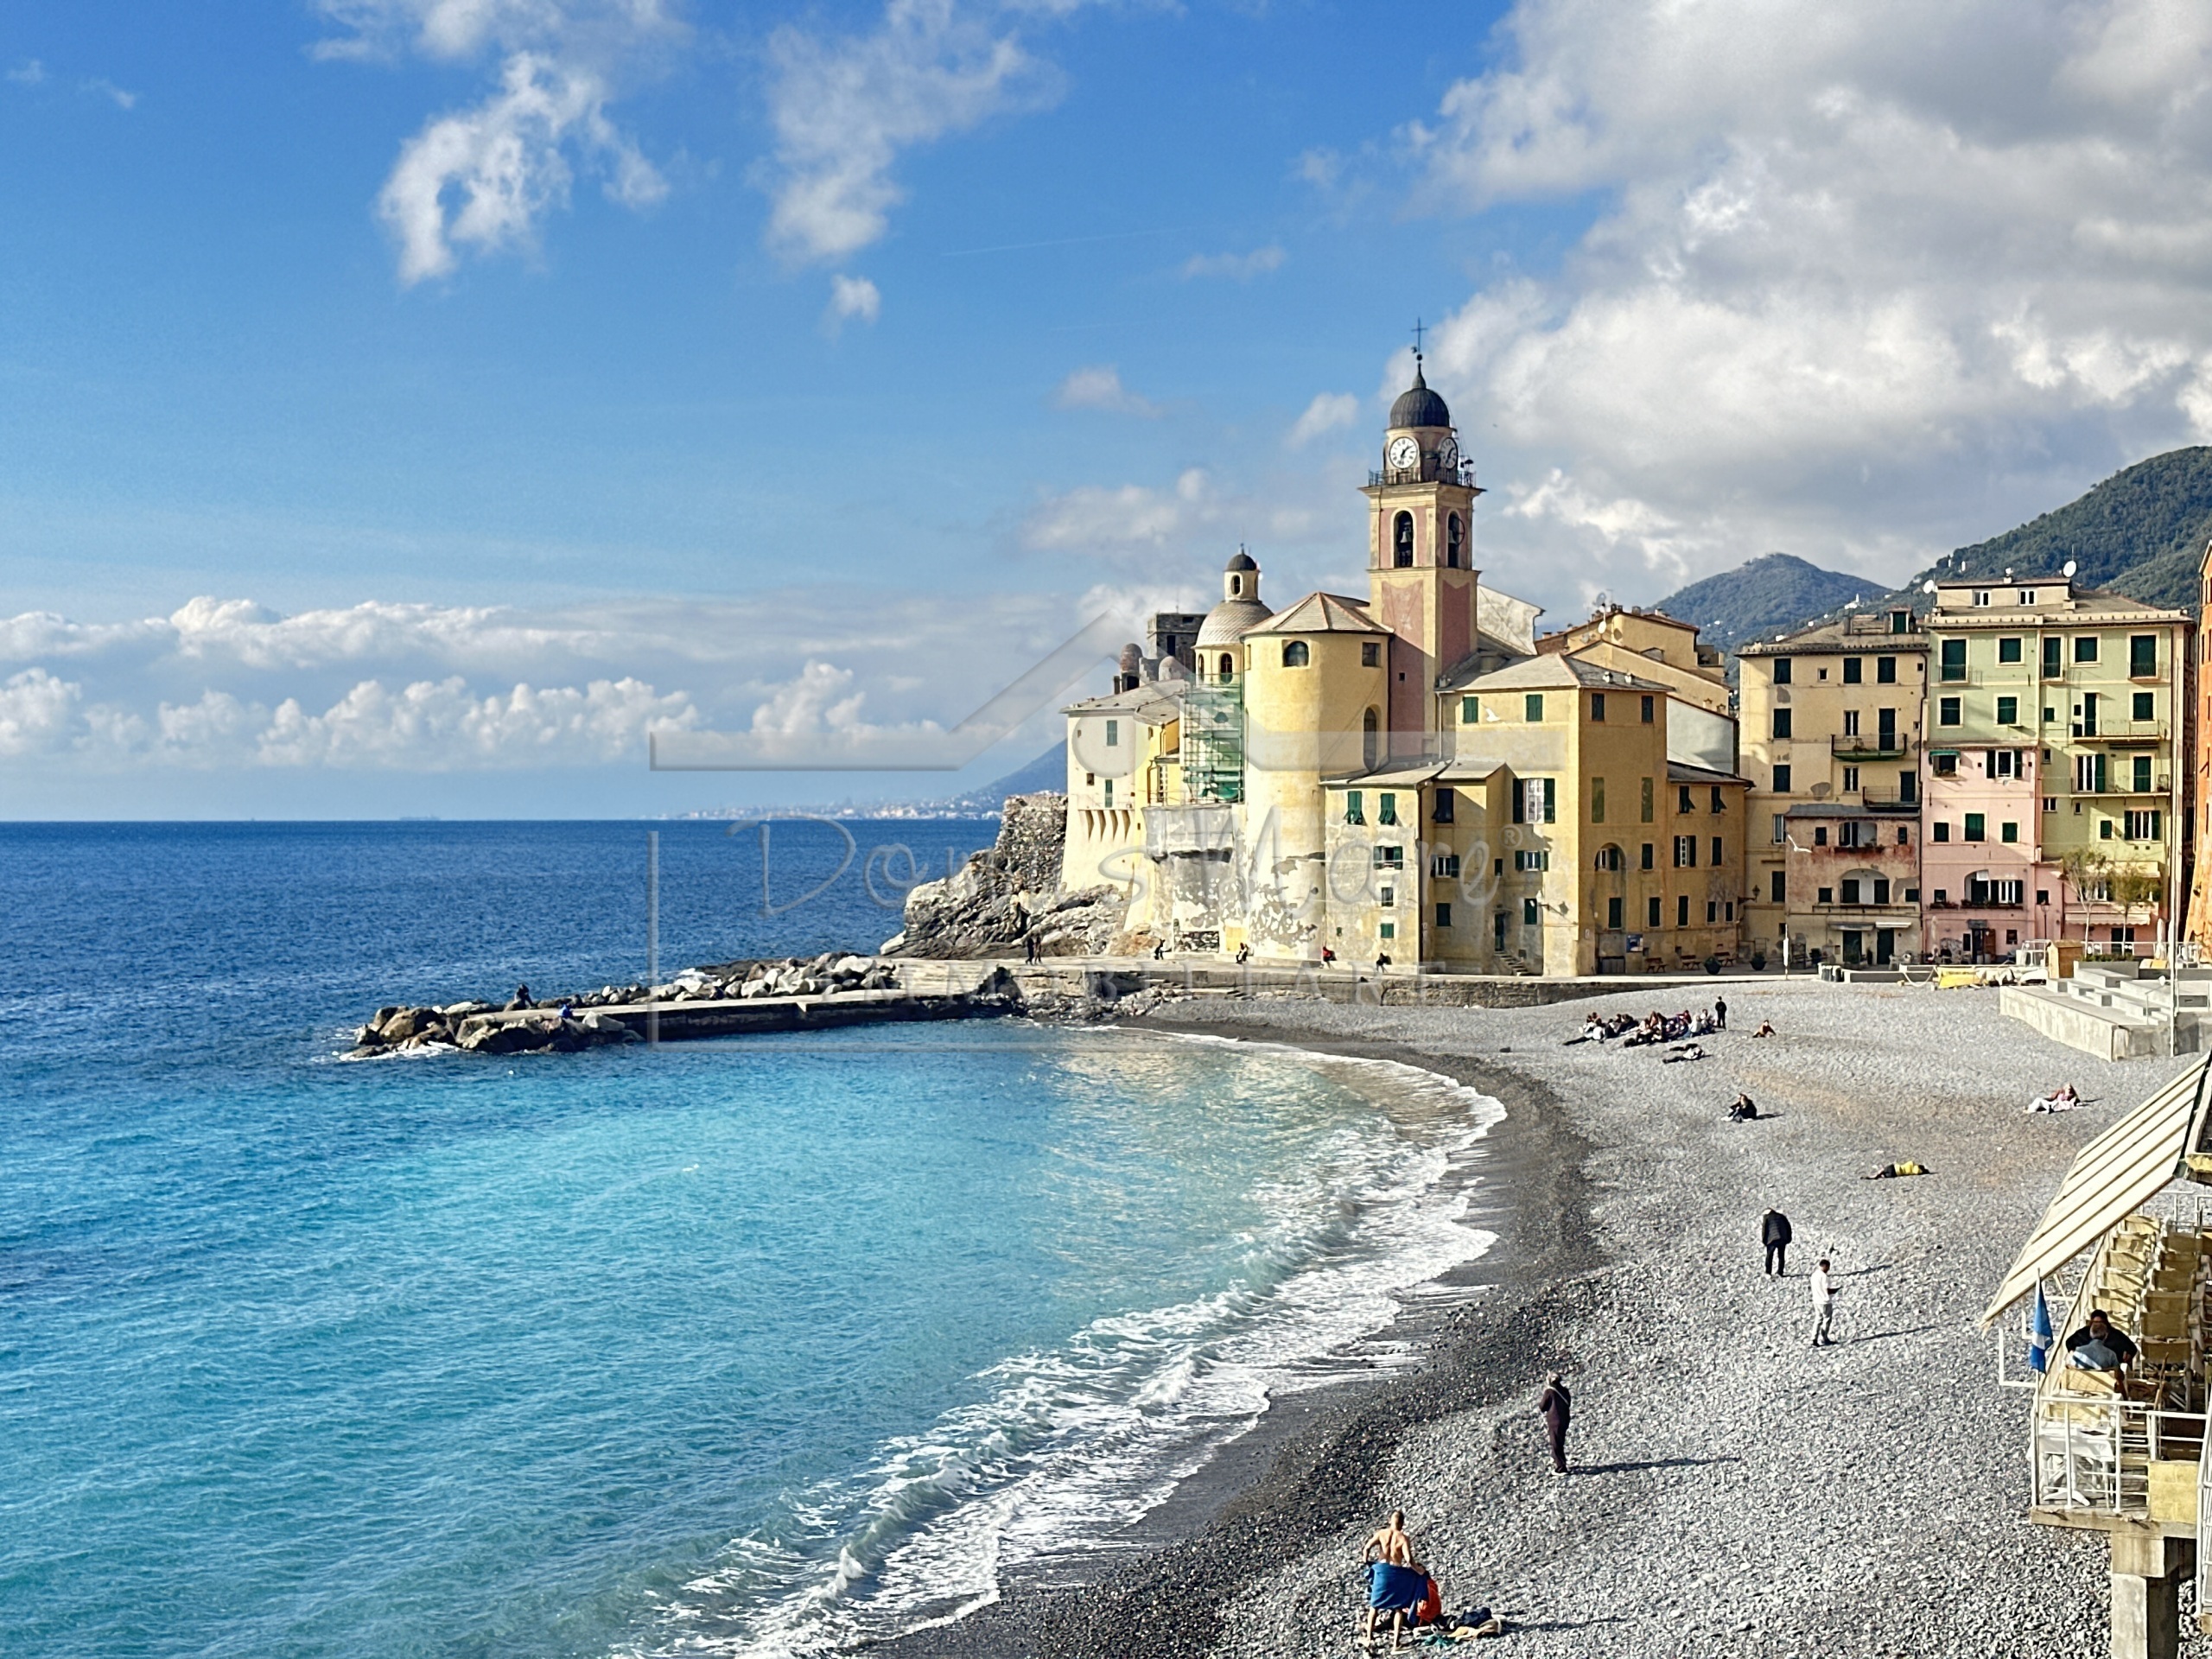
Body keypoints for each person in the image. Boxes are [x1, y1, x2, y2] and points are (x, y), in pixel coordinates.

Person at [1363, 1511, 1422, 1648]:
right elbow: (1408, 1559)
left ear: (1390, 1520)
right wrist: (1418, 1570)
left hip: (1381, 1572)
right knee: (1399, 1609)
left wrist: (1366, 1561)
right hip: (1396, 1573)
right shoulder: (1403, 1538)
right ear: (1402, 1523)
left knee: (1374, 1606)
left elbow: (1366, 1548)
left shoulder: (1381, 1534)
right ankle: (1396, 1642)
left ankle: (1369, 1638)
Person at [2065, 1309, 2139, 1380]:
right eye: (2095, 1323)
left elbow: (2132, 1348)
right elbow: (2069, 1343)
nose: (2098, 1326)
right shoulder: (2082, 1335)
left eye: (2100, 1323)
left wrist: (2128, 1355)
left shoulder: (2116, 1336)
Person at [1536, 1372, 1572, 1472]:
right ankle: (1559, 1461)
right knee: (1560, 1441)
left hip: (1554, 1421)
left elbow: (1543, 1407)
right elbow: (1568, 1403)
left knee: (1555, 1443)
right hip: (1565, 1419)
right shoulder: (1565, 1391)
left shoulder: (1549, 1392)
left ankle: (1561, 1467)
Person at [1810, 1257, 1838, 1346]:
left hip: (1816, 1300)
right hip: (1824, 1301)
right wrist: (1835, 1290)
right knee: (1827, 1319)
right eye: (1828, 1267)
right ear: (1825, 1266)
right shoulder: (1824, 1276)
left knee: (1818, 1320)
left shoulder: (1814, 1275)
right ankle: (1824, 1337)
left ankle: (1814, 1338)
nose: (1828, 1270)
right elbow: (1827, 1290)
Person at [1761, 1208, 1792, 1275]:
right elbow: (1788, 1227)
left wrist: (1764, 1241)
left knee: (1769, 1256)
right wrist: (1788, 1238)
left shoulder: (1767, 1217)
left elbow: (1765, 1230)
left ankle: (1768, 1272)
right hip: (1782, 1238)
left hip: (1772, 1240)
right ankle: (1780, 1272)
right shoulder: (1781, 1216)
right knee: (1781, 1256)